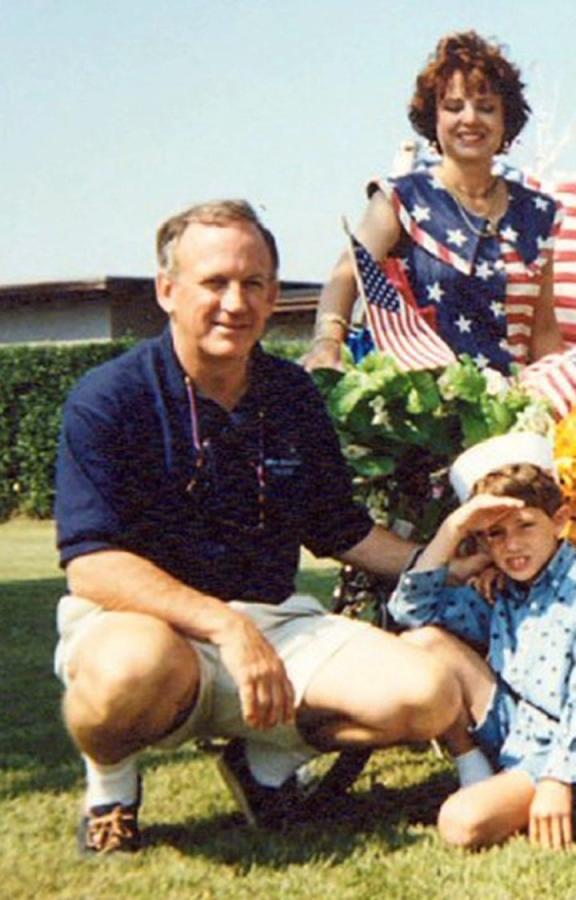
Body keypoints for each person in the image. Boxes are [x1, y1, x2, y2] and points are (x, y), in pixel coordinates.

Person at [54, 199, 468, 856]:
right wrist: (224, 625)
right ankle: (111, 789)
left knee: (428, 696)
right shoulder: (111, 397)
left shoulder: (292, 395)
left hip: (275, 625)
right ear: (168, 290)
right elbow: (92, 563)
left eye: (253, 283)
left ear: (275, 294)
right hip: (152, 630)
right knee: (128, 669)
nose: (234, 302)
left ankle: (264, 765)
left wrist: (442, 559)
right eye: (213, 282)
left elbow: (341, 530)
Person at [387, 432, 576, 850]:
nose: (512, 545)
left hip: (566, 749)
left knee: (459, 824)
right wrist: (454, 530)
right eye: (495, 534)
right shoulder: (500, 588)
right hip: (511, 728)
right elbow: (410, 611)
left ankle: (543, 795)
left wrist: (557, 781)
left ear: (560, 521)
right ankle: (475, 768)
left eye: (526, 526)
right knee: (424, 642)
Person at [302, 30, 565, 375]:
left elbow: (543, 330)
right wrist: (327, 342)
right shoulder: (400, 199)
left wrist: (563, 388)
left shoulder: (537, 215)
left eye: (486, 108)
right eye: (453, 107)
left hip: (510, 410)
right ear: (434, 118)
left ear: (506, 120)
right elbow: (346, 274)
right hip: (421, 410)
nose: (470, 119)